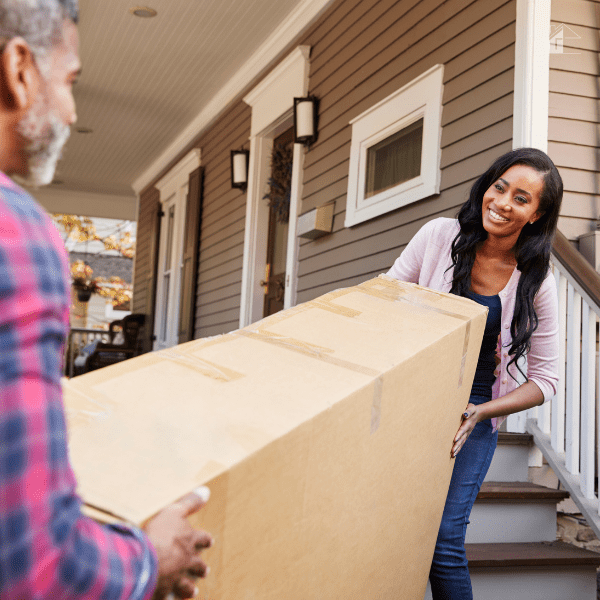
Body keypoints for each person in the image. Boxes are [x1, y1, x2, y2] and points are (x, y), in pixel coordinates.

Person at [0, 1, 212, 599]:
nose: (70, 111)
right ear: (20, 69)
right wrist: (149, 559)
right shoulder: (15, 233)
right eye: (68, 82)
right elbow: (35, 562)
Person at [386, 147, 562, 599]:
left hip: (474, 411)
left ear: (536, 215)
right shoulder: (439, 235)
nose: (503, 202)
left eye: (521, 198)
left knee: (444, 541)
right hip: (411, 399)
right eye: (499, 187)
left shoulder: (536, 279)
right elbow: (384, 301)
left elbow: (546, 380)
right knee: (395, 532)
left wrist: (481, 412)